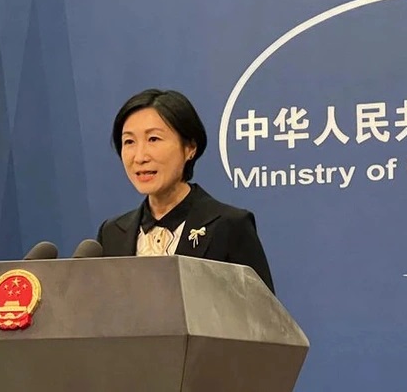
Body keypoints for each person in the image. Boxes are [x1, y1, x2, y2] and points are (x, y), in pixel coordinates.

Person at [97, 88, 275, 293]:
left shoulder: (229, 226)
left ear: (190, 148)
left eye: (153, 139)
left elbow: (262, 311)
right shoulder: (112, 233)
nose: (140, 157)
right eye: (129, 142)